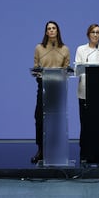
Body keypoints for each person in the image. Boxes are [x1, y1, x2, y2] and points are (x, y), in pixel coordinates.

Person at [31, 21, 70, 164]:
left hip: (58, 88)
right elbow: (36, 67)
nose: (52, 30)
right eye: (49, 29)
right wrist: (38, 73)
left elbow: (66, 69)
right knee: (40, 118)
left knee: (57, 120)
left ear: (58, 31)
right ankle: (41, 150)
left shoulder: (64, 49)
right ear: (46, 32)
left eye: (54, 28)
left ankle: (55, 149)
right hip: (43, 86)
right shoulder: (39, 48)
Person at [74, 24, 99, 162]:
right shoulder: (81, 49)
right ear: (88, 34)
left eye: (98, 32)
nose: (95, 35)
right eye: (92, 32)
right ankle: (85, 154)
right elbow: (78, 69)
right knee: (86, 124)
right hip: (85, 92)